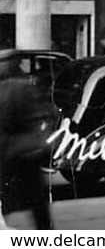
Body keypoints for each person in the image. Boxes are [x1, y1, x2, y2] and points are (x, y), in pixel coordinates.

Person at [0, 49, 52, 229]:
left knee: (17, 197)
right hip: (25, 150)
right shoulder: (24, 86)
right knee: (35, 199)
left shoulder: (14, 87)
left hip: (15, 150)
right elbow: (40, 115)